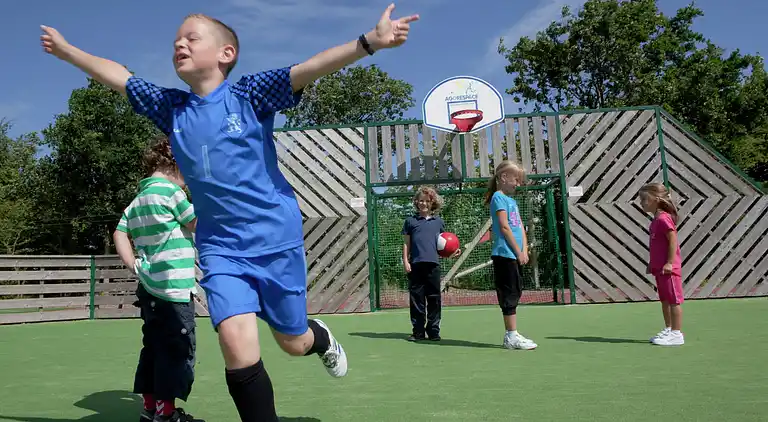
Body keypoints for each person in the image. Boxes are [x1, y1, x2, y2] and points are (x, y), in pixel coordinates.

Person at [41, 4, 419, 421]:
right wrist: (66, 51)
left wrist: (370, 43)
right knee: (236, 344)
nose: (179, 44)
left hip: (275, 239)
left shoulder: (250, 95)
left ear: (226, 54)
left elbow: (309, 68)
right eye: (175, 41)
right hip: (220, 248)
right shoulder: (172, 109)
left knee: (291, 342)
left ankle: (320, 339)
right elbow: (121, 77)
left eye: (192, 38)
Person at [113, 136, 203, 422]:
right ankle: (167, 414)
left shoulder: (139, 199)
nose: (187, 181)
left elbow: (119, 232)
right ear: (175, 164)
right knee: (176, 349)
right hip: (174, 288)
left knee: (152, 346)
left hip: (149, 288)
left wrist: (133, 264)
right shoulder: (171, 193)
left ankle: (150, 408)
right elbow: (195, 222)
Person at [485, 160, 537, 350]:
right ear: (503, 177)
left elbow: (520, 228)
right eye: (516, 179)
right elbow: (505, 227)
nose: (517, 184)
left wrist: (523, 251)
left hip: (514, 255)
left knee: (516, 290)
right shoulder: (498, 197)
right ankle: (511, 335)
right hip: (504, 254)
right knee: (508, 293)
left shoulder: (512, 201)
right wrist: (516, 251)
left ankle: (513, 333)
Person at [402, 186, 460, 342]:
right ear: (416, 202)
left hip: (433, 266)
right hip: (416, 265)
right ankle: (418, 332)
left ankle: (433, 331)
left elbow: (445, 245)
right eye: (420, 200)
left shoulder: (439, 222)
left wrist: (453, 252)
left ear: (432, 203)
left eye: (427, 201)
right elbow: (406, 244)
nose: (423, 204)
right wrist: (406, 261)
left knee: (434, 299)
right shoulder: (410, 221)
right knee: (417, 299)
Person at [639, 182, 685, 346]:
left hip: (669, 269)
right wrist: (653, 263)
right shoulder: (656, 220)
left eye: (644, 199)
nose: (641, 203)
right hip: (659, 269)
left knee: (674, 300)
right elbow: (657, 245)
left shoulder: (664, 218)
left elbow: (673, 240)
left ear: (655, 200)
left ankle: (677, 334)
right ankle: (669, 329)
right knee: (664, 300)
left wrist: (670, 263)